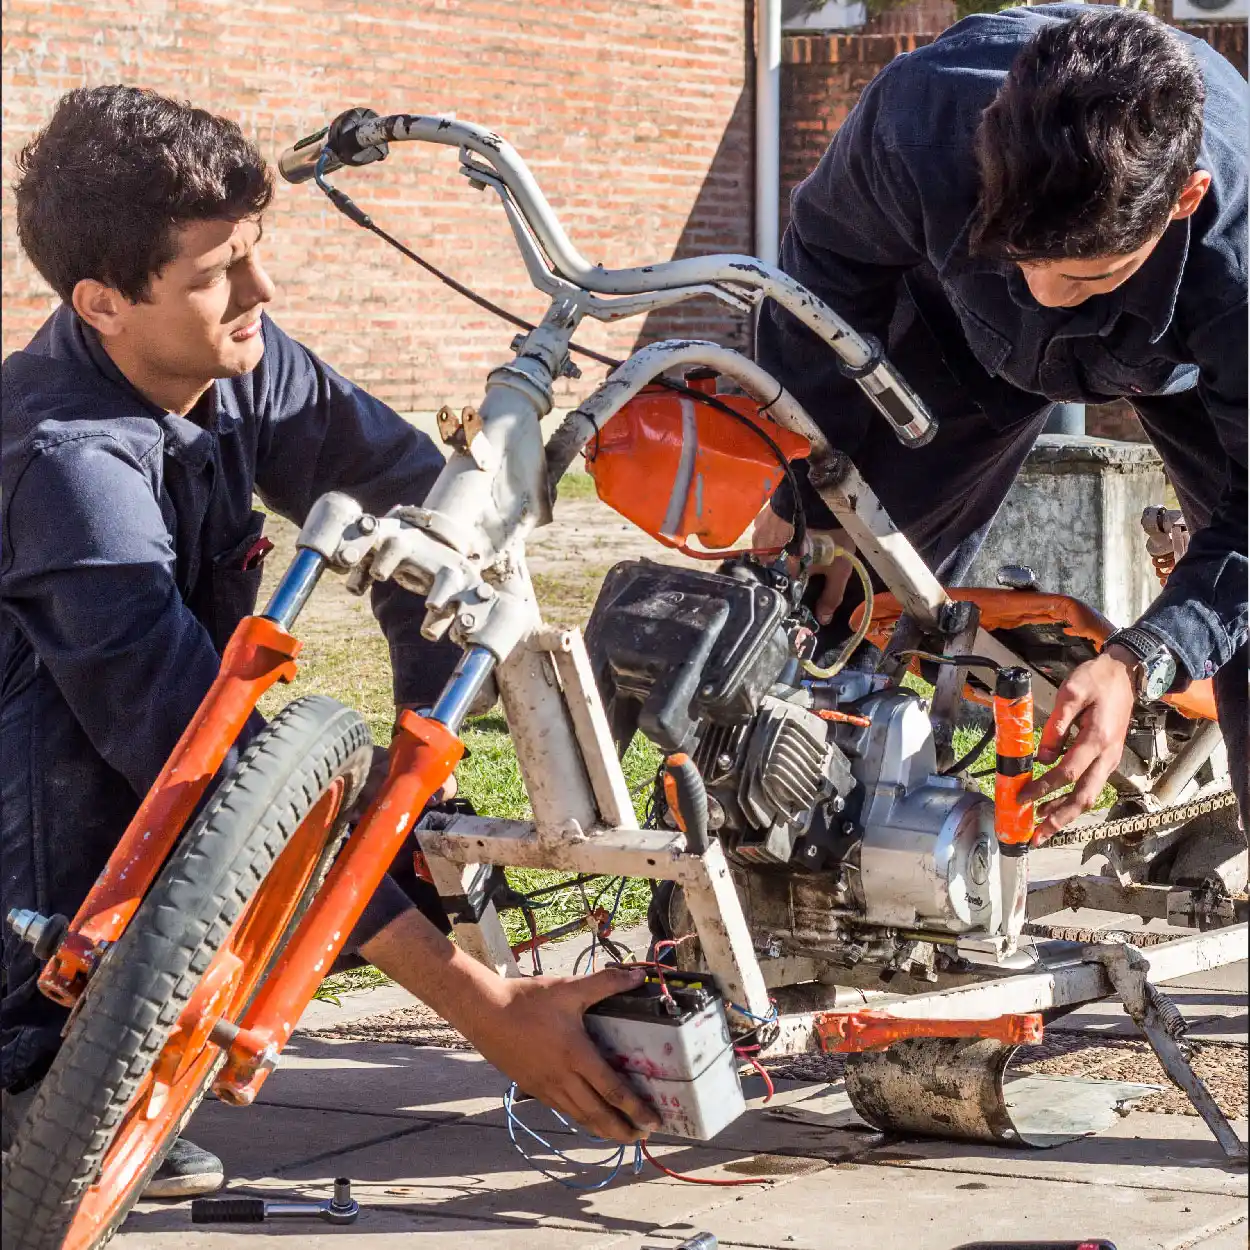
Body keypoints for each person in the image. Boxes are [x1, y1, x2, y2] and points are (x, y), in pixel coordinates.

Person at [0, 85, 659, 1197]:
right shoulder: (70, 466)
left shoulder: (241, 360)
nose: (262, 291)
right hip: (41, 807)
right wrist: (480, 1005)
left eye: (253, 251)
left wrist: (413, 802)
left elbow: (430, 528)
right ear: (102, 303)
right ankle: (32, 1070)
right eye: (215, 275)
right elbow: (205, 778)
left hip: (145, 750)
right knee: (140, 759)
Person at [755, 4, 1248, 842]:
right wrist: (811, 490)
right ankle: (786, 832)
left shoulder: (1239, 261)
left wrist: (1140, 657)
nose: (1046, 294)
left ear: (1184, 200)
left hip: (1190, 364)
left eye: (1085, 275)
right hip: (967, 330)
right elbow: (824, 280)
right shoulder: (922, 120)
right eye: (1026, 257)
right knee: (825, 588)